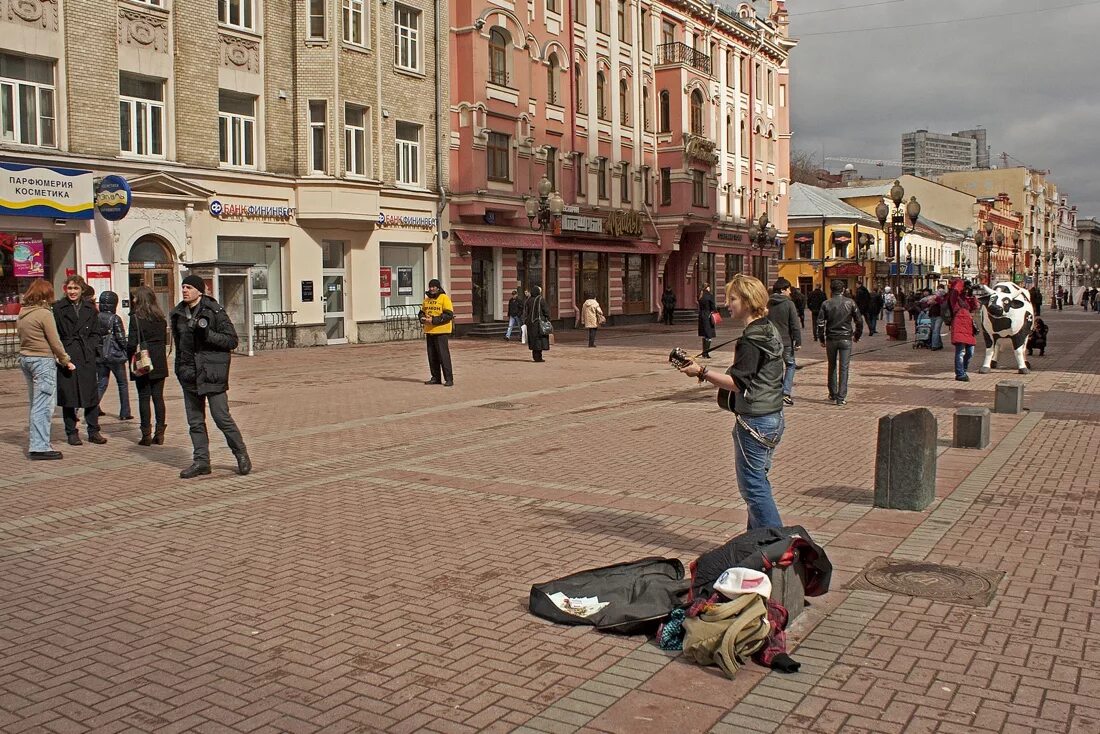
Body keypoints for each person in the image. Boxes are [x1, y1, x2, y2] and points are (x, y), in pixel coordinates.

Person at [677, 274, 785, 530]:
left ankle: (779, 544)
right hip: (772, 417)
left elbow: (738, 383)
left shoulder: (751, 339)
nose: (727, 304)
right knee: (758, 482)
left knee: (753, 489)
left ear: (747, 301)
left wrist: (701, 372)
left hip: (755, 422)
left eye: (733, 299)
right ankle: (757, 542)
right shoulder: (769, 329)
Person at [170, 274, 251, 479]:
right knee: (195, 422)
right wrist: (179, 369)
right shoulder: (178, 313)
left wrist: (208, 335)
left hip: (212, 374)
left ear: (199, 290)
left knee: (221, 417)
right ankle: (201, 462)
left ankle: (241, 454)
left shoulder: (215, 311)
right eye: (183, 287)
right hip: (189, 374)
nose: (185, 290)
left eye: (189, 287)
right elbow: (179, 346)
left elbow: (231, 340)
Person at [17, 280, 74, 460]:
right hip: (42, 360)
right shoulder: (44, 313)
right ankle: (40, 447)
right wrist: (65, 360)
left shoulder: (23, 313)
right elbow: (55, 340)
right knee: (43, 406)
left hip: (26, 358)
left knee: (36, 403)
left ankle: (37, 443)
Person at [53, 275, 108, 446]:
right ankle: (71, 432)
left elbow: (96, 332)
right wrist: (61, 353)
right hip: (67, 355)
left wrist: (90, 347)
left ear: (82, 290)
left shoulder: (90, 309)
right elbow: (54, 334)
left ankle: (93, 431)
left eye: (75, 288)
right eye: (69, 288)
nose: (72, 292)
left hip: (86, 355)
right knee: (69, 396)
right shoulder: (58, 308)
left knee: (91, 394)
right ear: (65, 289)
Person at [128, 285, 170, 446]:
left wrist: (130, 358)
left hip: (143, 361)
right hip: (159, 360)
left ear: (140, 299)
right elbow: (164, 340)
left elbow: (132, 343)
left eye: (135, 297)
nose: (133, 300)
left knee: (144, 397)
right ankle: (160, 433)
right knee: (158, 397)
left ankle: (146, 434)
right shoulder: (161, 317)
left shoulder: (136, 318)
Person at [817, 279, 863, 406]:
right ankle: (841, 397)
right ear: (843, 290)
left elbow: (820, 323)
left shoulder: (826, 304)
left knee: (831, 366)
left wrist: (821, 338)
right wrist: (857, 335)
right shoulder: (850, 303)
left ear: (831, 290)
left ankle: (832, 393)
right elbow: (859, 321)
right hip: (846, 338)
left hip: (831, 338)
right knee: (844, 367)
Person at [95, 291, 133, 420]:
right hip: (115, 356)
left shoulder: (96, 317)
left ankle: (93, 407)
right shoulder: (115, 318)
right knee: (122, 383)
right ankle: (125, 412)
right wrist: (127, 351)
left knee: (101, 383)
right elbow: (121, 339)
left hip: (100, 354)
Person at [766, 278, 801, 407]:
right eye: (788, 289)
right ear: (782, 290)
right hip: (786, 341)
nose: (789, 292)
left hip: (771, 340)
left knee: (775, 366)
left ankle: (776, 393)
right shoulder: (789, 303)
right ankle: (785, 392)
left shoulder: (767, 303)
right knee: (790, 365)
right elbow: (794, 324)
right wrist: (798, 341)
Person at [418, 278, 455, 386]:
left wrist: (433, 320)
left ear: (438, 287)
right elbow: (421, 312)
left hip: (441, 332)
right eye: (430, 287)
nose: (432, 288)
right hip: (429, 331)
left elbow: (449, 315)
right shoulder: (426, 300)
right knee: (432, 356)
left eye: (434, 287)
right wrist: (422, 319)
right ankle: (435, 378)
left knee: (443, 356)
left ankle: (449, 379)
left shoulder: (444, 298)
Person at [947, 279, 979, 381]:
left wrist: (972, 295)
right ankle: (960, 373)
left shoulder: (965, 298)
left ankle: (963, 369)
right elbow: (956, 290)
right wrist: (962, 282)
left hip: (968, 326)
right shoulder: (954, 298)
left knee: (970, 352)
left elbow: (975, 307)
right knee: (960, 351)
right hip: (959, 325)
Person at [523, 285, 551, 362]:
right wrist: (548, 319)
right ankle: (539, 357)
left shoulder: (528, 300)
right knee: (539, 340)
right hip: (539, 323)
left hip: (530, 324)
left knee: (533, 339)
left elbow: (525, 312)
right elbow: (546, 311)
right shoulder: (541, 300)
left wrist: (526, 321)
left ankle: (535, 356)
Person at [698, 283, 717, 358]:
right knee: (709, 335)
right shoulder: (709, 296)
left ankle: (704, 352)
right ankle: (706, 353)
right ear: (707, 288)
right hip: (708, 316)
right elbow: (713, 306)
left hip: (701, 316)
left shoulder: (700, 296)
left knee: (705, 334)